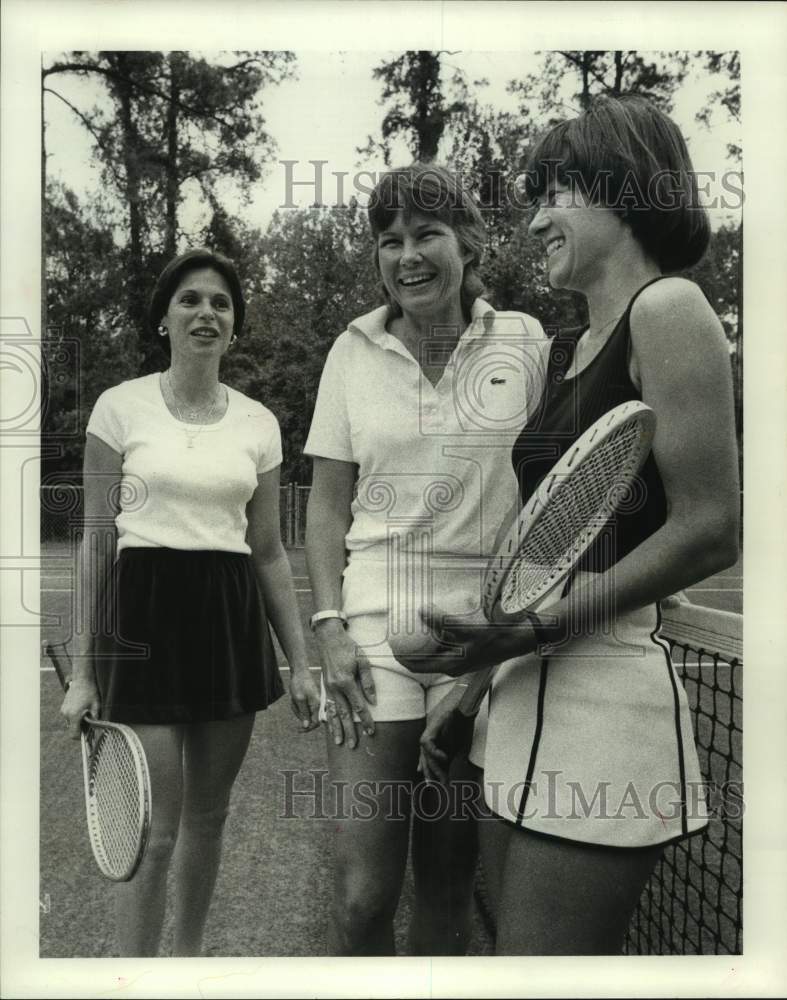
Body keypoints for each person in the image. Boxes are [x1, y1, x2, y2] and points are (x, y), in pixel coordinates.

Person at [397, 95, 741, 954]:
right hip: (515, 702)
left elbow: (709, 527)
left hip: (605, 707)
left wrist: (523, 633)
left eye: (557, 192)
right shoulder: (566, 349)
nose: (538, 217)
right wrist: (475, 687)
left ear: (623, 192)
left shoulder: (669, 311)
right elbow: (536, 553)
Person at [304, 164, 549, 955]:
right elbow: (326, 505)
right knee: (362, 898)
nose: (407, 256)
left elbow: (550, 498)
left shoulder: (525, 341)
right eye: (389, 240)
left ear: (468, 244)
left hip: (484, 644)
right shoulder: (351, 350)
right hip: (374, 637)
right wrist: (329, 628)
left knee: (447, 885)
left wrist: (482, 668)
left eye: (426, 235)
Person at [60, 248, 321, 957]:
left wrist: (302, 664)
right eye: (190, 300)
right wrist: (84, 672)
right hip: (142, 624)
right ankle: (135, 975)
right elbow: (95, 542)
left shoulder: (259, 425)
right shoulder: (120, 408)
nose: (205, 313)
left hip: (227, 626)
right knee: (153, 824)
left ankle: (185, 967)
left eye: (220, 304)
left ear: (234, 326)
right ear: (164, 319)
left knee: (207, 820)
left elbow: (267, 550)